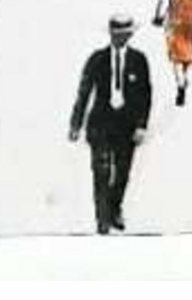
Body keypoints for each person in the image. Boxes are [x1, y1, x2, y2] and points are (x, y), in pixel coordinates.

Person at [68, 14, 152, 235]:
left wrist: (141, 125)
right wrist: (76, 124)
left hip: (127, 127)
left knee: (122, 172)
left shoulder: (139, 60)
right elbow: (84, 92)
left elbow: (145, 95)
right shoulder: (97, 59)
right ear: (111, 35)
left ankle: (114, 209)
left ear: (130, 35)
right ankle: (102, 218)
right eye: (116, 35)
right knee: (101, 172)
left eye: (124, 35)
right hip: (101, 125)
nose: (119, 39)